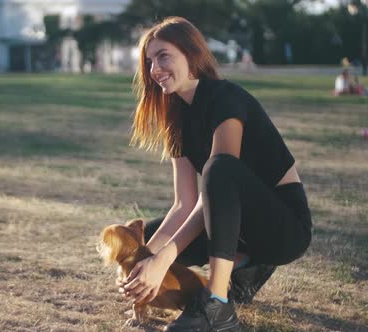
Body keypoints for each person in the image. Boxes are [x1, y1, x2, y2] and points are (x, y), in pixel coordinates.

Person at [119, 17, 312, 331]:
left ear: (191, 53)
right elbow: (184, 204)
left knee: (219, 168)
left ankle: (218, 304)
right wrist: (145, 259)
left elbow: (219, 180)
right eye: (150, 61)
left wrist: (163, 259)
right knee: (146, 241)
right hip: (234, 226)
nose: (155, 69)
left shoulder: (226, 99)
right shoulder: (176, 119)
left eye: (164, 56)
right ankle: (243, 268)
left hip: (283, 229)